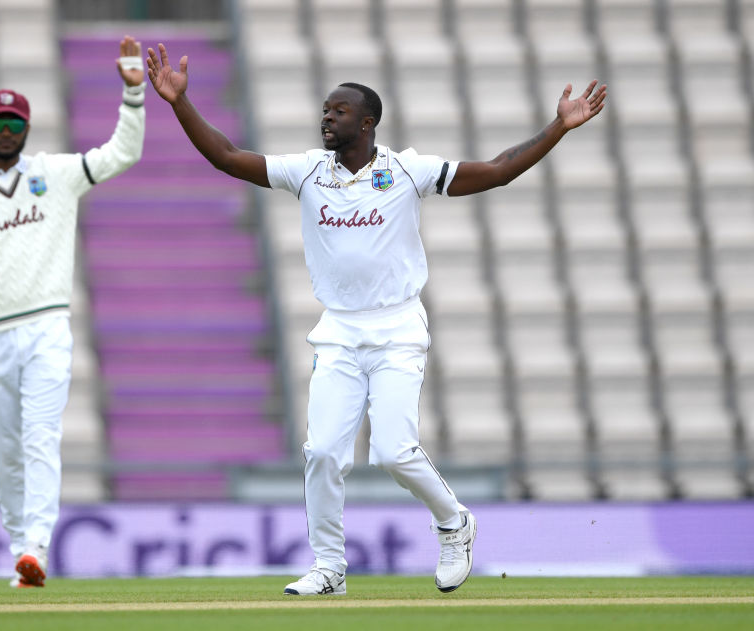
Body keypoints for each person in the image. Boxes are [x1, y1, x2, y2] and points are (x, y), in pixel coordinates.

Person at [146, 43, 605, 595]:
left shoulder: (407, 170)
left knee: (393, 451)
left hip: (397, 328)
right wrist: (180, 102)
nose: (326, 118)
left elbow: (498, 171)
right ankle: (329, 568)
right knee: (321, 452)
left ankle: (455, 523)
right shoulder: (307, 171)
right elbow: (225, 156)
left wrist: (557, 127)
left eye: (337, 111)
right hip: (338, 329)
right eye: (324, 110)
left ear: (367, 122)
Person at [0, 36, 146, 588]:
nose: (7, 132)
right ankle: (21, 548)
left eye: (16, 124)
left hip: (46, 329)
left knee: (40, 437)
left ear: (29, 129)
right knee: (4, 448)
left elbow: (120, 154)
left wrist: (133, 96)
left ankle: (35, 546)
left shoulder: (55, 174)